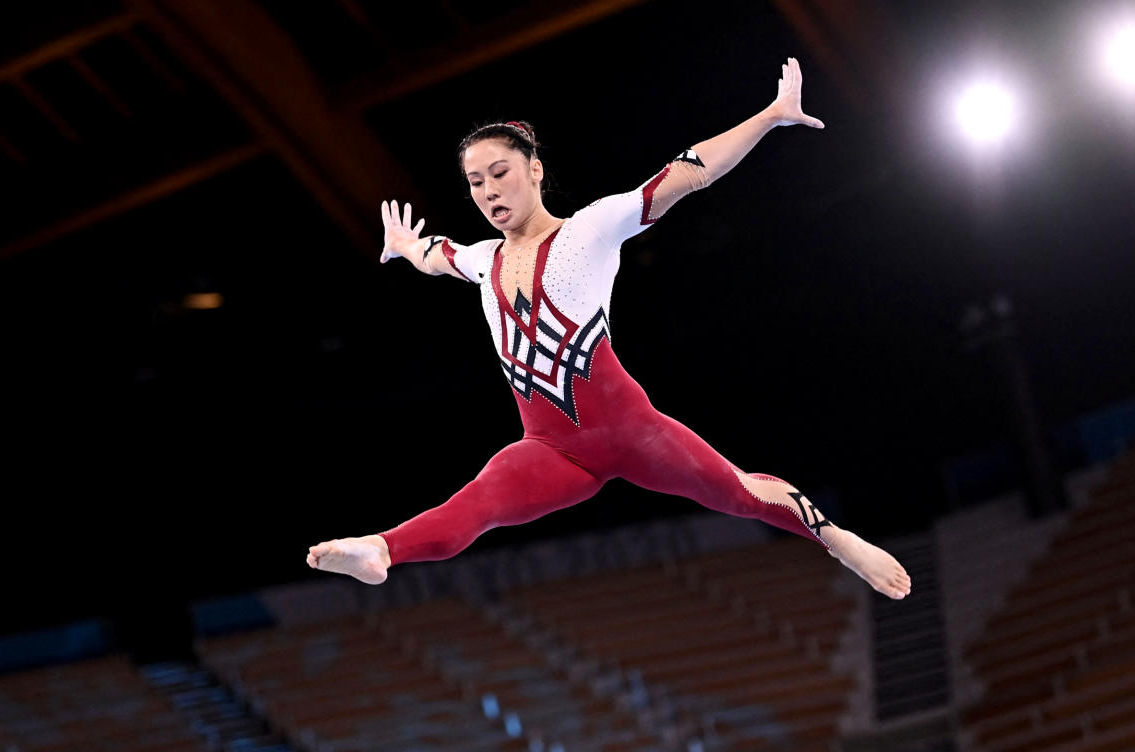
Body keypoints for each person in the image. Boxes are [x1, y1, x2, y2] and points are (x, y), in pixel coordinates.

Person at [307, 57, 911, 600]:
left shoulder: (588, 230)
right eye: (475, 182)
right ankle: (381, 549)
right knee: (477, 502)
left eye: (500, 173)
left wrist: (771, 116)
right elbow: (441, 253)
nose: (489, 191)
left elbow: (688, 171)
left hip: (632, 432)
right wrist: (406, 248)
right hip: (549, 449)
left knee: (736, 492)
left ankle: (838, 539)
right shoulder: (483, 259)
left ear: (536, 170)